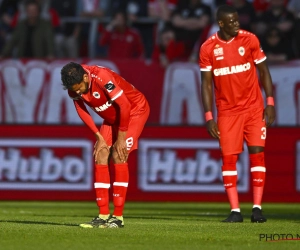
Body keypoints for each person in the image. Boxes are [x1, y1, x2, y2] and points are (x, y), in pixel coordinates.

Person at [199, 5, 276, 223]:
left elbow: (264, 71)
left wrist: (269, 102)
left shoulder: (249, 40)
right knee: (228, 159)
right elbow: (205, 84)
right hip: (227, 112)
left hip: (253, 108)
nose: (237, 23)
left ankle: (257, 208)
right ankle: (235, 211)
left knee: (257, 154)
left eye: (237, 20)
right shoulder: (208, 48)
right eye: (231, 21)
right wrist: (208, 117)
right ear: (221, 24)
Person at [60, 62, 150, 228]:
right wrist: (98, 136)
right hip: (111, 118)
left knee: (118, 154)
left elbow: (124, 105)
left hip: (134, 111)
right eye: (74, 89)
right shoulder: (74, 84)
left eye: (79, 87)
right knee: (100, 155)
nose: (77, 92)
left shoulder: (102, 77)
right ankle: (103, 215)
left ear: (86, 77)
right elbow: (81, 110)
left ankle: (118, 217)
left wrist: (121, 138)